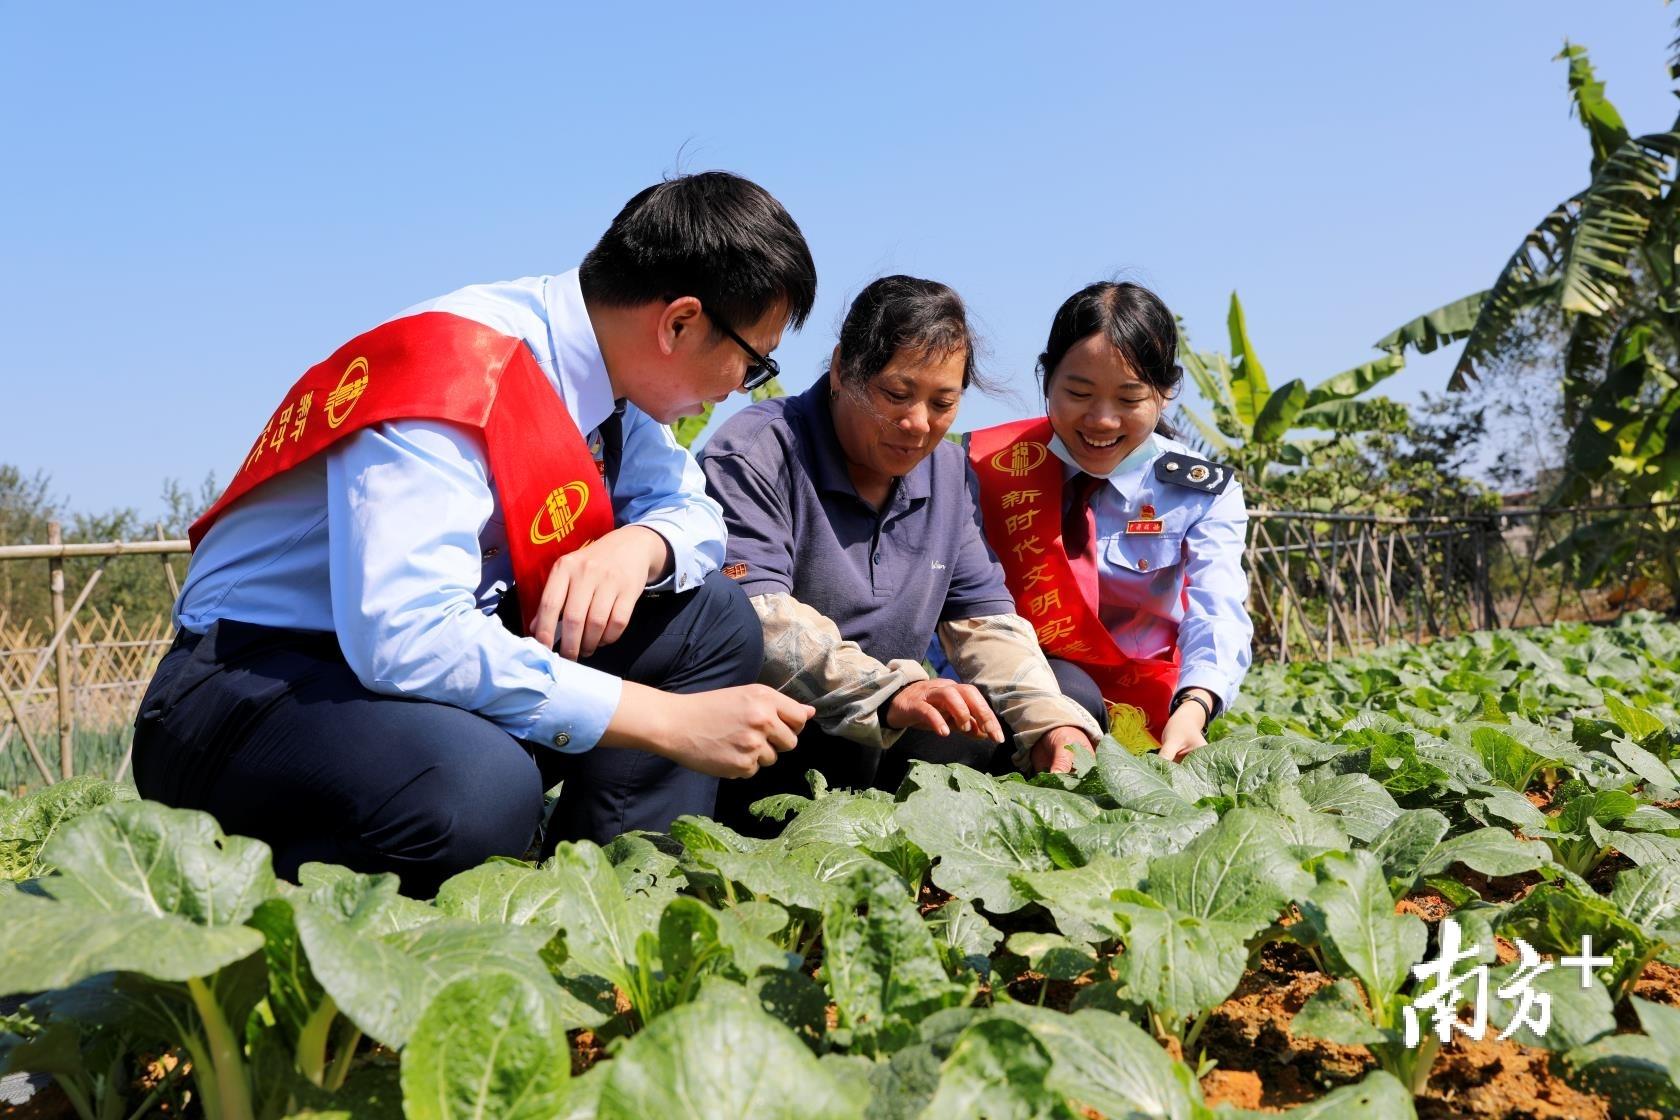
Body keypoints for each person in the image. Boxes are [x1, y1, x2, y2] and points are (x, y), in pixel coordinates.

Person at [132, 172, 819, 896]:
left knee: (710, 620)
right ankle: (258, 924)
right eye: (754, 361)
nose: (743, 385)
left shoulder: (611, 386)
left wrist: (639, 545)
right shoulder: (455, 370)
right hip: (249, 690)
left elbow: (694, 509)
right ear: (679, 323)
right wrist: (670, 722)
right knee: (478, 788)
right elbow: (408, 637)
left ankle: (618, 911)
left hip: (397, 676)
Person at [698, 275, 1103, 833]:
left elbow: (983, 623)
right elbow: (758, 617)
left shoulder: (947, 470)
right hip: (783, 735)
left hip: (895, 721)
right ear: (843, 370)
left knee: (1065, 698)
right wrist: (890, 692)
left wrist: (1052, 723)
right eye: (896, 395)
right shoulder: (757, 452)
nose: (917, 424)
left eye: (943, 403)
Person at [967, 281, 1252, 763]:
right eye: (1078, 392)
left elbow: (1218, 610)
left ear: (1165, 393)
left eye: (1129, 399)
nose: (1102, 420)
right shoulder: (989, 469)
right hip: (1015, 700)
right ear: (1046, 378)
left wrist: (1196, 705)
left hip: (1149, 713)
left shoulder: (1202, 490)